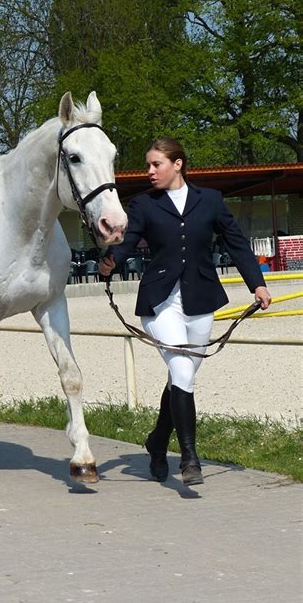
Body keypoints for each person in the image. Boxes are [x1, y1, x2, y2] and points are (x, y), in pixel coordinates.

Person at [99, 137, 271, 487]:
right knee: (180, 367)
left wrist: (257, 283)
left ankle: (158, 441)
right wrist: (110, 261)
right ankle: (190, 459)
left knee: (183, 379)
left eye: (155, 164)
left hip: (201, 300)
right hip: (160, 302)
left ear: (177, 164)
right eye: (148, 165)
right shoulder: (144, 205)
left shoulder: (210, 200)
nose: (149, 172)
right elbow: (128, 241)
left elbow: (235, 241)